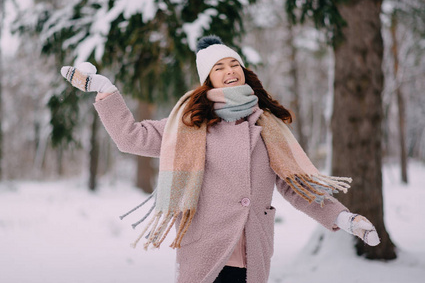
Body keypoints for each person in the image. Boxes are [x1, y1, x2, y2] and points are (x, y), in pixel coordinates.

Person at [60, 35, 380, 283]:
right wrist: (104, 90)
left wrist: (344, 219)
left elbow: (296, 188)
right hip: (205, 254)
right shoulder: (190, 124)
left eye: (233, 64)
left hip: (253, 255)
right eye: (219, 67)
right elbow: (130, 137)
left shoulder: (268, 127)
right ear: (208, 79)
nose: (229, 71)